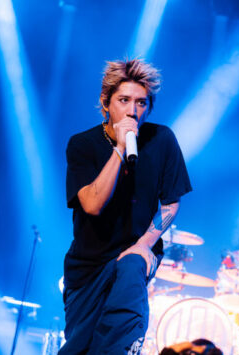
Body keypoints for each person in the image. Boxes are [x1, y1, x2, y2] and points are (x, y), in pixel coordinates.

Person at [59, 59, 192, 354]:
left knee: (131, 267)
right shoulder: (82, 145)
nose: (133, 111)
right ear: (105, 102)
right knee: (78, 348)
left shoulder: (162, 140)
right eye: (124, 100)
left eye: (141, 102)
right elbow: (92, 204)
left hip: (135, 255)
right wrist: (120, 147)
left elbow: (171, 202)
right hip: (87, 267)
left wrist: (143, 245)